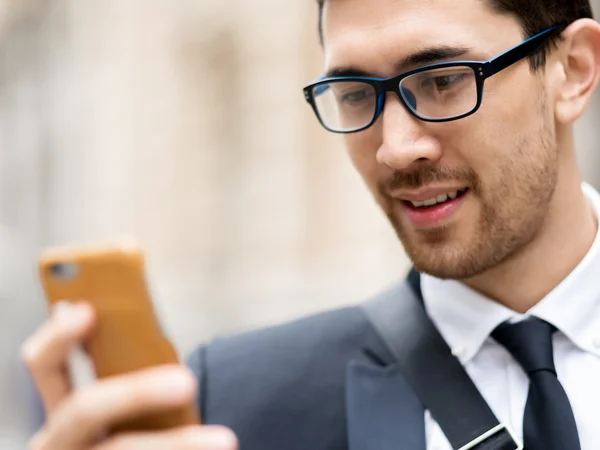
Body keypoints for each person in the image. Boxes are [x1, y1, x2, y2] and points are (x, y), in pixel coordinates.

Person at [21, 0, 600, 449]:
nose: (396, 149)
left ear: (572, 71)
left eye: (443, 80)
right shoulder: (229, 403)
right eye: (353, 94)